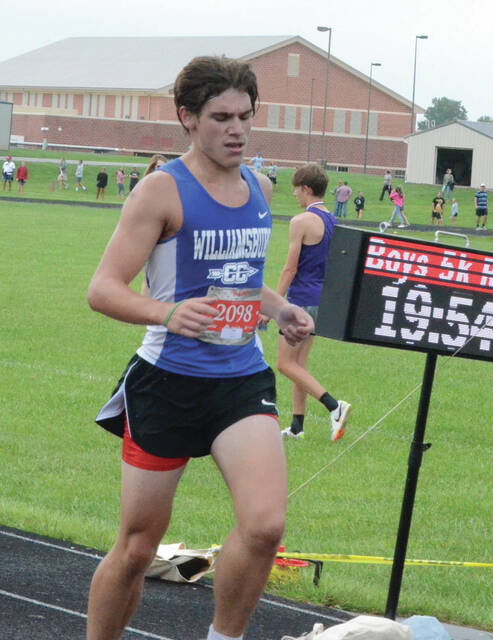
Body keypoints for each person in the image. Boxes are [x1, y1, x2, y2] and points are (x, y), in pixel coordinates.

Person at [85, 55, 313, 640]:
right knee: (139, 548)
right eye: (220, 117)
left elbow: (238, 275)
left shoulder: (259, 187)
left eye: (245, 116)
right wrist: (168, 311)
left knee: (264, 528)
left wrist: (279, 309)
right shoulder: (161, 191)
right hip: (168, 382)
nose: (236, 129)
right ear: (188, 118)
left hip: (240, 378)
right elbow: (103, 289)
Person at [262, 163, 351, 442]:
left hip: (301, 301)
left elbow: (290, 269)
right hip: (322, 301)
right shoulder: (334, 220)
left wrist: (273, 306)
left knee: (284, 364)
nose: (295, 196)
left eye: (296, 191)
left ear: (307, 189)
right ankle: (298, 427)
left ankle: (334, 406)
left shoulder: (301, 221)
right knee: (298, 363)